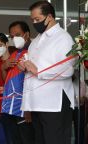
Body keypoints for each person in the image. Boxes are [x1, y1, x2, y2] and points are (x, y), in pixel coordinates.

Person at [20, 1, 75, 144]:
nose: (34, 23)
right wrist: (25, 66)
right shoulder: (36, 40)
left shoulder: (63, 38)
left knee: (55, 140)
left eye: (37, 19)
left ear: (49, 17)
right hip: (36, 102)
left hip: (54, 102)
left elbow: (68, 69)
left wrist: (38, 71)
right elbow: (32, 67)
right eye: (32, 20)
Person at [1, 21, 34, 144]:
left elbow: (34, 81)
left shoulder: (33, 51)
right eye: (12, 36)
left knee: (26, 139)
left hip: (23, 109)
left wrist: (28, 109)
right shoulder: (14, 53)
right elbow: (7, 81)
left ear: (26, 34)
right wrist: (3, 67)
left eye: (17, 34)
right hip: (10, 107)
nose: (14, 38)